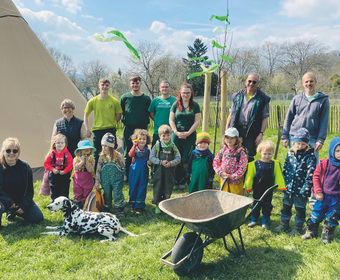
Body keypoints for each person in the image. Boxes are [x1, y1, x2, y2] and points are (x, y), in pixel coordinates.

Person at [282, 72, 330, 208]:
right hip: (295, 137)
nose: (309, 84)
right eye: (306, 82)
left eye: (311, 81)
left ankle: (313, 198)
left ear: (316, 82)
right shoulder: (297, 99)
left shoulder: (323, 100)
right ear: (303, 84)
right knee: (294, 166)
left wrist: (320, 139)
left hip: (313, 138)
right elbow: (289, 117)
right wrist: (285, 135)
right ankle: (292, 192)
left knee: (313, 168)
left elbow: (324, 121)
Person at [275, 128, 316, 236]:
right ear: (294, 142)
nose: (300, 146)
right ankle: (284, 223)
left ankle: (298, 227)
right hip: (289, 187)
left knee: (299, 209)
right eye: (298, 143)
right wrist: (283, 182)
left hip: (301, 188)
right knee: (286, 207)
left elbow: (310, 173)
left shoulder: (310, 156)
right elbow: (285, 167)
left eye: (303, 144)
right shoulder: (290, 153)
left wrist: (306, 188)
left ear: (307, 144)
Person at [302, 137, 340, 244]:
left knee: (332, 216)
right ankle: (311, 231)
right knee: (317, 213)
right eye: (337, 151)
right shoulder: (324, 163)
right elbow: (316, 177)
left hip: (336, 198)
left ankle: (326, 234)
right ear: (332, 150)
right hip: (323, 196)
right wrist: (318, 191)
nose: (339, 153)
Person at [226, 73, 270, 162]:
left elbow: (265, 117)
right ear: (246, 82)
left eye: (254, 82)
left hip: (252, 131)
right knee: (234, 154)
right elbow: (231, 113)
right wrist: (227, 128)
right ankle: (236, 175)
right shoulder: (237, 96)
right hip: (236, 129)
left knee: (249, 156)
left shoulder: (263, 98)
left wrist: (261, 133)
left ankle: (248, 176)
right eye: (249, 81)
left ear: (258, 83)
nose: (251, 84)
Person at [0, 137, 44, 228]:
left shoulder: (25, 167)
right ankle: (9, 211)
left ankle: (14, 212)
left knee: (37, 218)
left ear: (18, 153)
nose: (11, 153)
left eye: (14, 151)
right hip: (3, 201)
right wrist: (9, 203)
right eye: (8, 150)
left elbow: (29, 190)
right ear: (3, 152)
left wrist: (23, 206)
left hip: (20, 201)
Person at [245, 140, 286, 229]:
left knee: (267, 204)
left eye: (269, 154)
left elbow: (278, 174)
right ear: (260, 152)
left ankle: (265, 219)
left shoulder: (274, 164)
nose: (267, 156)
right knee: (256, 203)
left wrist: (280, 186)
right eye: (265, 154)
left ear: (272, 153)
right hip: (258, 188)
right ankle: (254, 218)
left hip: (269, 189)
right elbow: (250, 176)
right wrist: (248, 187)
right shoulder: (255, 164)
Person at [84, 77, 122, 168]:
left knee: (111, 152)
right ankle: (96, 175)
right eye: (102, 85)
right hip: (97, 130)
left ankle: (112, 172)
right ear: (99, 86)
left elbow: (119, 115)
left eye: (106, 85)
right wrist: (87, 129)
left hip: (110, 130)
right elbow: (86, 115)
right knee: (97, 153)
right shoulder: (93, 101)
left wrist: (112, 122)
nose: (104, 87)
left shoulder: (114, 101)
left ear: (109, 87)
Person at [169, 83, 201, 190]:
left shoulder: (195, 105)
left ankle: (183, 180)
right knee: (174, 156)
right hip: (176, 134)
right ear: (180, 93)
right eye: (184, 93)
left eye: (188, 93)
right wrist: (176, 132)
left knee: (185, 158)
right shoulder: (175, 105)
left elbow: (197, 121)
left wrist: (188, 133)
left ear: (191, 93)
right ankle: (174, 180)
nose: (186, 95)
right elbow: (171, 120)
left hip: (190, 135)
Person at [120, 75, 151, 181]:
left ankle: (142, 173)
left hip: (142, 129)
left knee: (142, 151)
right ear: (130, 84)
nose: (135, 85)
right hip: (129, 128)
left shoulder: (146, 98)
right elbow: (121, 111)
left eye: (137, 83)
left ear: (140, 84)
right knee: (128, 151)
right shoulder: (125, 97)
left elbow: (150, 113)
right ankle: (127, 174)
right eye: (133, 83)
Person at [149, 125, 181, 214]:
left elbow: (178, 158)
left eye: (168, 135)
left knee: (168, 186)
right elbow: (151, 157)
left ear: (171, 135)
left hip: (169, 171)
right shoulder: (157, 146)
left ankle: (166, 204)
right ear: (160, 136)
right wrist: (160, 162)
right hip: (158, 171)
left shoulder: (173, 146)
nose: (166, 137)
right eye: (163, 136)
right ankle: (157, 203)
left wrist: (171, 163)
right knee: (158, 186)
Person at [95, 133, 126, 218]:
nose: (103, 148)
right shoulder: (101, 157)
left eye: (106, 145)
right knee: (107, 193)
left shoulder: (118, 156)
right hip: (105, 179)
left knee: (117, 193)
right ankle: (107, 208)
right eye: (102, 145)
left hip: (116, 179)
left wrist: (124, 175)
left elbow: (124, 166)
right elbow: (98, 170)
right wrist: (97, 181)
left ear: (111, 146)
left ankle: (120, 209)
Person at [213, 128, 248, 195]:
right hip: (224, 181)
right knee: (224, 197)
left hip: (235, 182)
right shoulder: (222, 151)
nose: (229, 140)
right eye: (227, 138)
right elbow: (216, 163)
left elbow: (243, 167)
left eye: (232, 138)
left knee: (235, 199)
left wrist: (233, 176)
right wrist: (221, 173)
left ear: (236, 139)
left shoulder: (240, 152)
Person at [128, 129, 152, 214]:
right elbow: (130, 154)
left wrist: (150, 162)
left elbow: (149, 160)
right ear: (136, 139)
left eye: (144, 139)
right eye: (140, 139)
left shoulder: (147, 150)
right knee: (133, 186)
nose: (142, 141)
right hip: (134, 171)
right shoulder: (135, 148)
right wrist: (134, 145)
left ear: (147, 140)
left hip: (144, 172)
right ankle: (132, 204)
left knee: (142, 187)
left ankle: (139, 206)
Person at [44, 134, 73, 202]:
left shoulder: (67, 154)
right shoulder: (51, 154)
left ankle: (64, 201)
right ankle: (54, 201)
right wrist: (52, 169)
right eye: (58, 143)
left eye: (62, 143)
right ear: (54, 144)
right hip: (54, 173)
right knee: (54, 188)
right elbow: (46, 164)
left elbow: (70, 165)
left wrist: (65, 171)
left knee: (64, 188)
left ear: (65, 144)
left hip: (64, 174)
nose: (60, 144)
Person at [148, 80, 177, 147]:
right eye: (163, 87)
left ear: (169, 88)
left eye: (166, 87)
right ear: (159, 89)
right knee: (155, 151)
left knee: (170, 151)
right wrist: (157, 120)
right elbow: (151, 113)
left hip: (171, 131)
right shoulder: (155, 100)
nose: (164, 88)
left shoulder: (175, 100)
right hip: (157, 130)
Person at [72, 140, 96, 208]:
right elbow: (75, 167)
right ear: (80, 150)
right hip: (78, 177)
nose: (86, 149)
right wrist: (82, 161)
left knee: (87, 189)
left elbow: (90, 169)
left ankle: (85, 202)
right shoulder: (76, 159)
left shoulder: (92, 159)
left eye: (88, 148)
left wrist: (87, 162)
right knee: (77, 189)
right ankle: (77, 202)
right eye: (84, 148)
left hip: (87, 177)